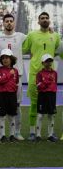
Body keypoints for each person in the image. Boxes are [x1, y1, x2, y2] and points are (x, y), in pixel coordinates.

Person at [22, 12, 60, 141]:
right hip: (34, 75)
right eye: (42, 18)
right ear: (38, 22)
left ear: (49, 21)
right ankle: (33, 132)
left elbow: (59, 52)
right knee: (34, 104)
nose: (44, 20)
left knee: (50, 106)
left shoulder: (55, 36)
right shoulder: (32, 35)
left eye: (46, 18)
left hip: (50, 77)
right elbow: (23, 49)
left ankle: (51, 133)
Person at [0, 14, 26, 141]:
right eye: (7, 21)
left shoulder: (21, 36)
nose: (9, 23)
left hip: (17, 76)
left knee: (17, 105)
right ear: (3, 23)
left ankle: (16, 132)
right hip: (1, 76)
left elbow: (34, 39)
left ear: (14, 23)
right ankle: (0, 133)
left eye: (11, 21)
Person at [0, 49, 19, 143]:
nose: (5, 60)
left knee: (12, 116)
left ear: (11, 59)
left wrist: (13, 92)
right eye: (3, 58)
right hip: (2, 95)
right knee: (2, 116)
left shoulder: (15, 71)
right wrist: (9, 75)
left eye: (7, 58)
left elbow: (16, 83)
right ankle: (2, 135)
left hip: (12, 95)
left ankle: (12, 135)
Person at [35, 54, 58, 142]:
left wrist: (46, 82)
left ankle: (50, 135)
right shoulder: (39, 74)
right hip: (42, 96)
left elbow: (54, 84)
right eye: (47, 61)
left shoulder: (55, 73)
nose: (49, 63)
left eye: (50, 61)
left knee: (51, 115)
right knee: (40, 115)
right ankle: (38, 135)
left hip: (52, 96)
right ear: (42, 63)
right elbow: (38, 86)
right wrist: (48, 81)